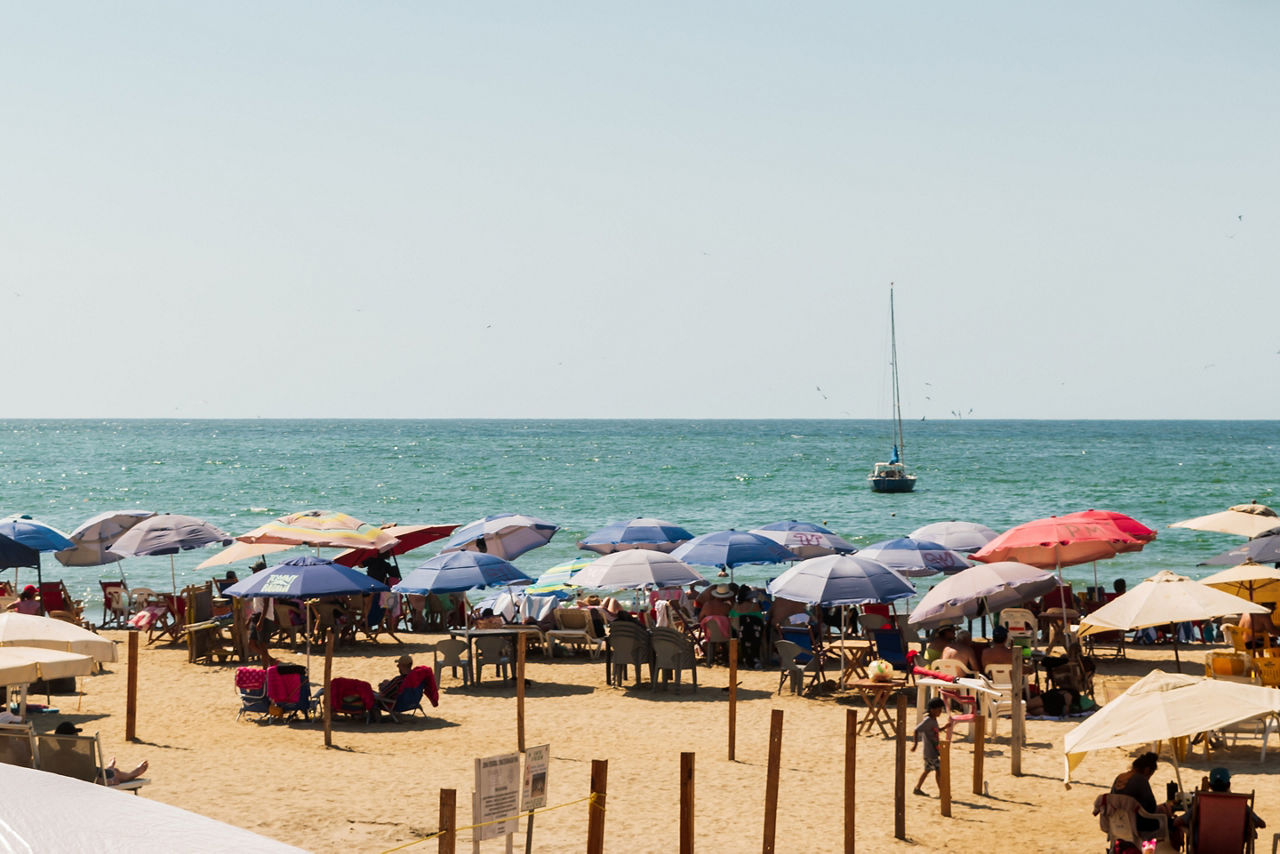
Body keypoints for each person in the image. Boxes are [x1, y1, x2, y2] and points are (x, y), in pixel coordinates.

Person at [1111, 752, 1182, 846]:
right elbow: (1150, 807)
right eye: (1150, 775)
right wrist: (1163, 809)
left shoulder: (1119, 777)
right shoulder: (1140, 779)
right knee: (1173, 824)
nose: (1149, 778)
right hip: (1137, 824)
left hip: (1117, 822)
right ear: (1147, 770)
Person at [52, 721, 148, 785]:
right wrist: (109, 781)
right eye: (75, 734)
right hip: (95, 777)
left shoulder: (53, 756)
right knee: (115, 772)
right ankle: (132, 774)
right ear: (69, 739)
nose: (78, 736)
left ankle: (109, 768)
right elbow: (90, 779)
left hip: (91, 773)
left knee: (108, 771)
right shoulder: (75, 759)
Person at [1192, 767, 1265, 842]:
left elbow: (1184, 819)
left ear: (1210, 785)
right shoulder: (1238, 803)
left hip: (1205, 845)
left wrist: (1204, 791)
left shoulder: (1203, 803)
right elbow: (1262, 824)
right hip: (1233, 845)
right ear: (1229, 784)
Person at [912, 698, 947, 795]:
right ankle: (942, 792)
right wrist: (915, 744)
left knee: (927, 770)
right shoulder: (928, 720)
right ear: (932, 710)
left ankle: (917, 788)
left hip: (933, 751)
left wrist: (944, 727)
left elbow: (935, 730)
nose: (940, 712)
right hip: (930, 752)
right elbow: (916, 730)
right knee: (938, 771)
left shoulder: (933, 719)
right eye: (939, 710)